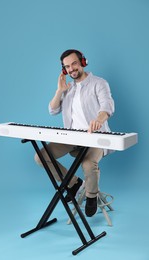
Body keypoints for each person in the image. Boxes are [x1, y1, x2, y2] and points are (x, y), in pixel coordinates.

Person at [35, 49, 115, 217]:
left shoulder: (99, 83)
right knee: (41, 156)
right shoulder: (67, 88)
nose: (71, 69)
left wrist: (99, 119)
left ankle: (91, 196)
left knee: (88, 164)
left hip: (96, 138)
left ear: (82, 62)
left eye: (74, 64)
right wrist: (59, 91)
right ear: (64, 70)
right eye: (67, 67)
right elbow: (52, 110)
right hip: (72, 137)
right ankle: (74, 184)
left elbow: (107, 106)